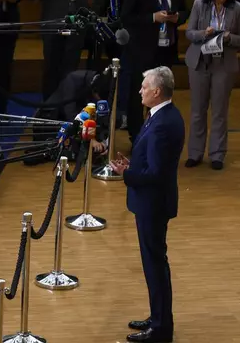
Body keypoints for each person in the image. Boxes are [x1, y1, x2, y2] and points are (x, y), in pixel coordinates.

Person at [109, 66, 184, 343]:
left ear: (157, 91)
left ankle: (161, 329)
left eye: (144, 86)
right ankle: (157, 318)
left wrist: (126, 174)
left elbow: (155, 174)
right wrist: (133, 164)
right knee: (153, 264)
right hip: (152, 203)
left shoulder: (163, 124)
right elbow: (153, 164)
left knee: (155, 265)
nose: (140, 90)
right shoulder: (161, 116)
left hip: (153, 205)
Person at [120, 0, 187, 143]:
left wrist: (177, 18)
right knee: (138, 96)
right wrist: (152, 18)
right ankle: (137, 138)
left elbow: (184, 11)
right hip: (142, 51)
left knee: (162, 95)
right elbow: (126, 18)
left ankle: (158, 136)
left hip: (166, 49)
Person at [30, 0, 106, 101]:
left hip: (79, 21)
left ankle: (66, 108)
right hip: (53, 19)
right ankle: (48, 109)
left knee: (71, 68)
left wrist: (93, 11)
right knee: (51, 67)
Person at [184, 0, 240, 171]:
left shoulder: (236, 8)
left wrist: (229, 37)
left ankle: (217, 154)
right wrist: (203, 33)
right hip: (200, 62)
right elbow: (189, 33)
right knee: (198, 111)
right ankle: (195, 153)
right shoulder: (200, 4)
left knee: (219, 112)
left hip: (223, 65)